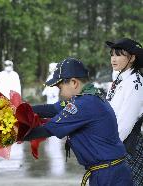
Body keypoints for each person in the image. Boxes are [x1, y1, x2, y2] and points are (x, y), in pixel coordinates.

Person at [22, 58, 133, 186]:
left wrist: (11, 135)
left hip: (109, 175)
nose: (60, 92)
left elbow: (47, 129)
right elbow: (51, 109)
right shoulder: (87, 97)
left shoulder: (85, 103)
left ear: (74, 82)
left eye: (60, 87)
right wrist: (16, 111)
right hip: (108, 171)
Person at [105, 38, 143, 186]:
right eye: (112, 54)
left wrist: (106, 149)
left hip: (128, 146)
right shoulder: (121, 78)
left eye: (119, 55)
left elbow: (125, 125)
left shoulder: (135, 84)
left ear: (132, 58)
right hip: (117, 143)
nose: (113, 59)